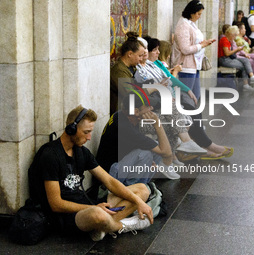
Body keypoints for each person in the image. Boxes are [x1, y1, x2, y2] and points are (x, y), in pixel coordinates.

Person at [28, 105, 154, 242]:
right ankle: (122, 225)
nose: (89, 138)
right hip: (68, 216)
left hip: (87, 203)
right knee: (98, 215)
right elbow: (56, 204)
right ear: (72, 129)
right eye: (86, 132)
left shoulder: (81, 151)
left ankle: (102, 228)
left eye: (91, 132)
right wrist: (94, 207)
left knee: (142, 189)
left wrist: (139, 202)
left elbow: (109, 181)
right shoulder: (50, 155)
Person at [145, 36, 234, 160]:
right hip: (160, 103)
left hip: (169, 98)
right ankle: (202, 147)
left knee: (192, 109)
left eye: (159, 50)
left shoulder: (156, 63)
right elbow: (161, 83)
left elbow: (169, 80)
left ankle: (200, 146)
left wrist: (187, 90)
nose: (158, 53)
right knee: (188, 112)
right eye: (155, 50)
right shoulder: (146, 68)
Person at [133, 37, 207, 165]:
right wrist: (160, 91)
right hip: (150, 110)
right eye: (143, 51)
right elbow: (144, 92)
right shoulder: (138, 70)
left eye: (146, 49)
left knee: (183, 116)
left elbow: (167, 80)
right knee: (176, 119)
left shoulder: (152, 65)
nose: (156, 52)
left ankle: (173, 156)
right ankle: (175, 153)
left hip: (164, 103)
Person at [96, 93, 179, 183]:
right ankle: (132, 190)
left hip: (118, 165)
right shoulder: (125, 128)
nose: (151, 108)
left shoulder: (126, 116)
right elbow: (166, 152)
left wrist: (149, 162)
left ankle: (141, 187)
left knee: (155, 148)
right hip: (108, 176)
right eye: (148, 107)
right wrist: (157, 124)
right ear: (136, 111)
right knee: (145, 153)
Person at [172, 0, 216, 101]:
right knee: (187, 97)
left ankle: (192, 116)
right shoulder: (183, 25)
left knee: (195, 95)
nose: (200, 16)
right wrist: (201, 45)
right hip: (186, 66)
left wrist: (203, 43)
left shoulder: (190, 23)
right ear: (192, 13)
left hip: (194, 64)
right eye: (198, 14)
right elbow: (185, 49)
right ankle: (185, 116)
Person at [218, 25, 254, 91]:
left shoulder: (228, 40)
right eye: (234, 35)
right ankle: (246, 84)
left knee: (245, 60)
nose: (235, 37)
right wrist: (236, 50)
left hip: (228, 58)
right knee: (243, 66)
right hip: (224, 60)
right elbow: (227, 53)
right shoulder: (224, 40)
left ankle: (252, 77)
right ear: (230, 34)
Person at [110, 32, 145, 114]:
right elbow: (130, 95)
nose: (141, 59)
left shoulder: (132, 67)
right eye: (140, 56)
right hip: (123, 113)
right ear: (130, 54)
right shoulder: (119, 70)